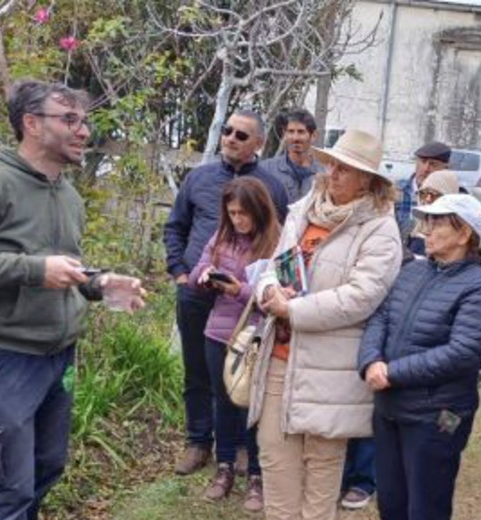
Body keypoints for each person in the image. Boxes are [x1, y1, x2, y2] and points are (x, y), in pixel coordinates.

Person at [0, 80, 146, 520]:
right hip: (1, 361)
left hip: (58, 359)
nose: (84, 131)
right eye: (70, 120)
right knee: (5, 490)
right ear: (32, 124)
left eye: (85, 121)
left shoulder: (68, 195)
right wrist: (34, 270)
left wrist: (98, 284)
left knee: (44, 471)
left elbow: (62, 268)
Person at [250, 129, 402, 520]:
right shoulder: (304, 209)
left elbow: (362, 297)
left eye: (344, 168)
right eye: (332, 164)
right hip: (280, 357)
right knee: (274, 456)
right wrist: (269, 290)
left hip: (331, 367)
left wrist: (293, 310)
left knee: (322, 464)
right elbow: (275, 265)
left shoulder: (380, 228)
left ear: (367, 180)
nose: (332, 173)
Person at [359, 194, 481, 520]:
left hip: (438, 416)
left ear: (463, 234)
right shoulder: (412, 271)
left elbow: (462, 352)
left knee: (426, 507)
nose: (427, 230)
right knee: (391, 503)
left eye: (437, 222)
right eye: (427, 221)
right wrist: (370, 361)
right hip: (391, 408)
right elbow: (380, 317)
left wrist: (392, 372)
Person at [163, 109, 289, 476]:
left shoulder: (272, 186)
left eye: (241, 134)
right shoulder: (198, 178)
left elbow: (281, 241)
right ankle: (199, 441)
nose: (231, 138)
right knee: (197, 370)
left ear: (259, 143)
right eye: (228, 130)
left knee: (245, 372)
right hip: (197, 292)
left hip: (246, 303)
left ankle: (241, 447)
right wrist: (180, 272)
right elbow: (175, 228)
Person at [188, 177, 281, 512]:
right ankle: (224, 468)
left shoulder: (277, 242)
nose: (238, 220)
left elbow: (279, 295)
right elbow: (198, 270)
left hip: (256, 336)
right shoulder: (222, 236)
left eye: (244, 213)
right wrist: (205, 276)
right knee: (223, 401)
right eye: (232, 213)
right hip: (218, 333)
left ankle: (256, 475)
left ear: (259, 209)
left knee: (254, 406)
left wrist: (238, 289)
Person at [261, 108, 323, 203]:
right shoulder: (267, 170)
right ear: (284, 134)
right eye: (291, 131)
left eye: (301, 132)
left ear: (313, 135)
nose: (295, 138)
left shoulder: (323, 174)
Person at [401, 169, 461, 258]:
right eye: (423, 194)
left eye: (434, 195)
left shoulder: (457, 237)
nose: (427, 199)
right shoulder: (413, 227)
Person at [395, 141, 451, 231]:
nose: (426, 169)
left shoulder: (449, 198)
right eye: (423, 162)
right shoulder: (396, 191)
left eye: (433, 164)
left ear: (445, 169)